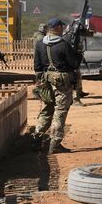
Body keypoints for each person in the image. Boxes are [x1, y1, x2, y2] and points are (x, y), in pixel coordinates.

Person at [32, 18, 82, 154]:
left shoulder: (39, 44)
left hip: (46, 80)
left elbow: (37, 66)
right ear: (58, 28)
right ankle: (55, 143)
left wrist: (39, 82)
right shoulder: (63, 45)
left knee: (47, 109)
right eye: (62, 26)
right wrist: (79, 52)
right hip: (62, 81)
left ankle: (37, 137)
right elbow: (74, 64)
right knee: (60, 111)